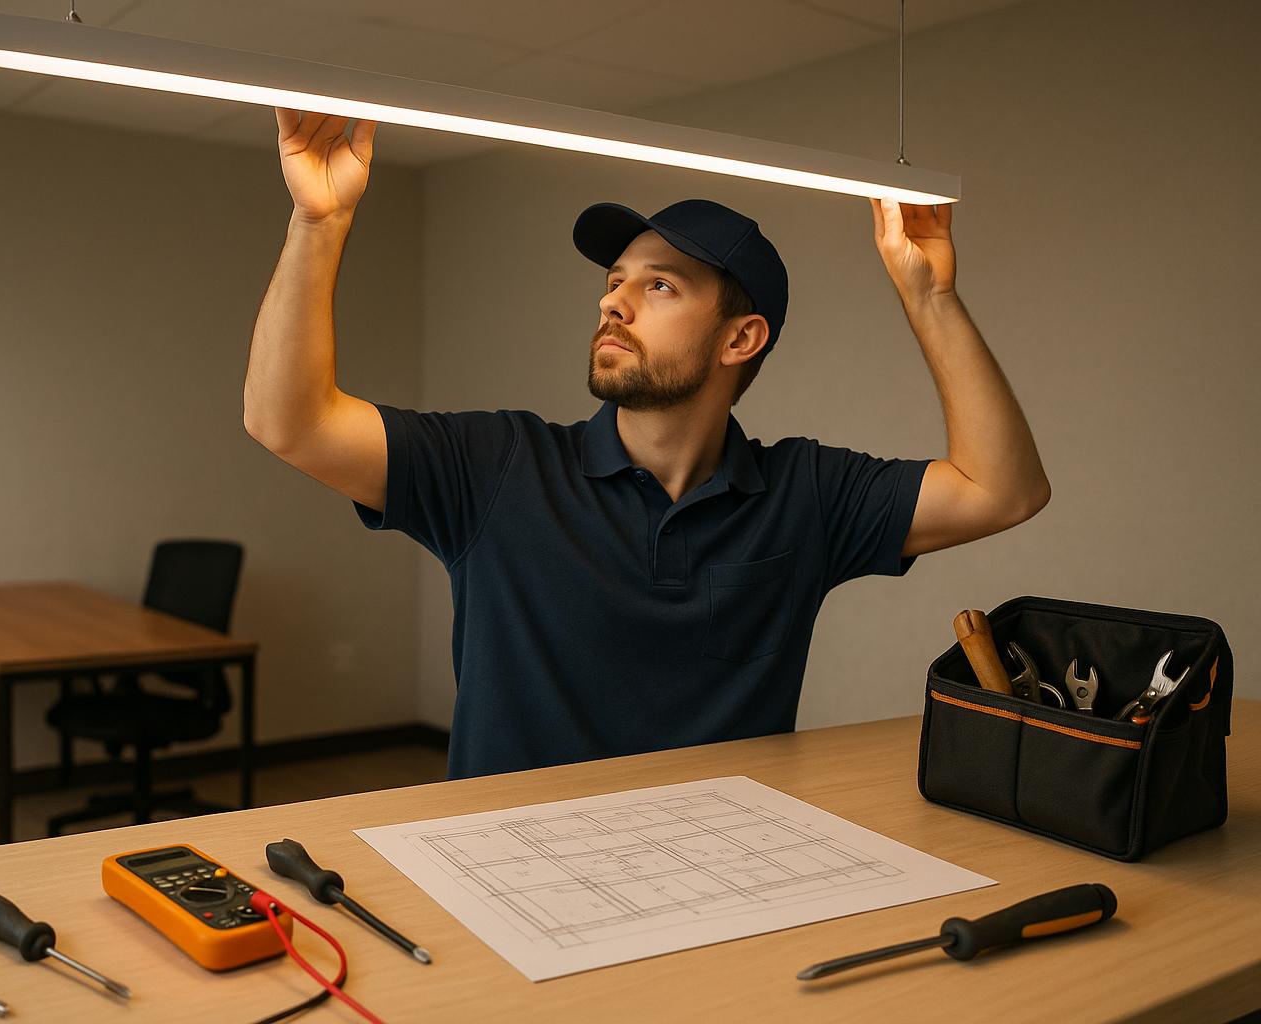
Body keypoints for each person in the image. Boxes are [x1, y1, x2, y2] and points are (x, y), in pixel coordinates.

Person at [244, 110, 1051, 779]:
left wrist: (931, 295)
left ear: (741, 338)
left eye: (658, 285)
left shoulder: (806, 494)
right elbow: (291, 422)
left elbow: (1001, 490)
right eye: (613, 282)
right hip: (505, 869)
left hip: (714, 873)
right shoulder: (498, 467)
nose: (615, 305)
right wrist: (320, 221)